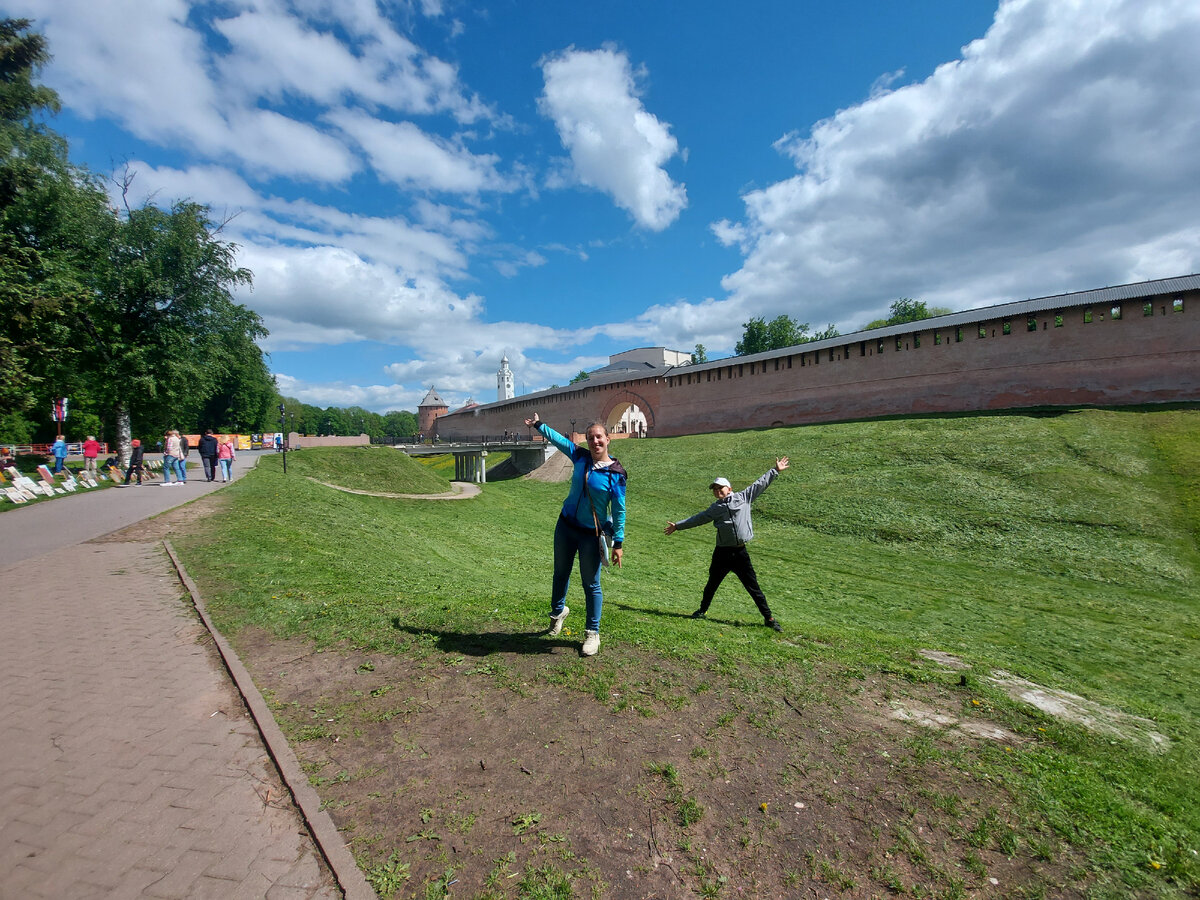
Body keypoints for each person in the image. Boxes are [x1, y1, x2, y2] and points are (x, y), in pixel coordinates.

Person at [523, 412, 626, 657]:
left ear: (608, 439)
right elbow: (559, 441)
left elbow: (620, 511)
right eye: (590, 438)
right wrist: (539, 425)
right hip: (566, 526)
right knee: (560, 573)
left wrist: (618, 543)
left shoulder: (616, 474)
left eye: (599, 437)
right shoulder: (580, 457)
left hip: (591, 535)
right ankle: (558, 613)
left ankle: (593, 633)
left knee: (591, 584)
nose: (595, 442)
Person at [664, 458, 789, 632]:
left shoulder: (744, 497)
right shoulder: (714, 508)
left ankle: (769, 618)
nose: (717, 491)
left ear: (729, 488)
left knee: (753, 587)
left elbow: (760, 484)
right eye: (714, 489)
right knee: (712, 584)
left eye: (720, 488)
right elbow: (698, 519)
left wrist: (775, 470)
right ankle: (702, 610)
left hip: (740, 554)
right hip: (722, 553)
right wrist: (678, 526)